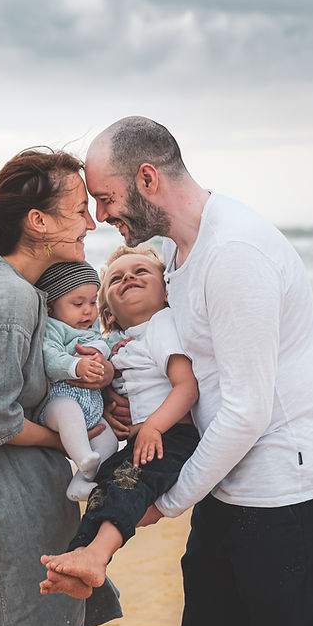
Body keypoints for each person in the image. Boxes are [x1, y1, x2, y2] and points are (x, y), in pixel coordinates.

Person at [81, 117, 313, 626]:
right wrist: (122, 400)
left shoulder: (235, 254)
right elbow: (170, 354)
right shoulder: (169, 252)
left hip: (288, 487)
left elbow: (246, 411)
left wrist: (167, 503)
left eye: (105, 198)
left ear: (147, 179)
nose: (100, 217)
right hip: (226, 477)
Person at [0, 148, 121, 626]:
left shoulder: (10, 283)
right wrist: (71, 438)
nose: (92, 221)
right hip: (1, 514)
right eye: (80, 209)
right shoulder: (11, 300)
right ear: (38, 221)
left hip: (1, 506)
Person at [39, 245, 200, 599]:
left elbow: (187, 387)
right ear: (106, 310)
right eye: (115, 279)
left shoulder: (162, 326)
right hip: (144, 439)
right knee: (105, 487)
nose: (128, 277)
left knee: (127, 485)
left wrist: (153, 426)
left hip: (173, 436)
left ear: (166, 291)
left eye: (141, 272)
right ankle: (81, 558)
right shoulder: (117, 341)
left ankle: (96, 556)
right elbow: (113, 379)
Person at [34, 260, 120, 500]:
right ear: (51, 307)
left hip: (93, 411)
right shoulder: (54, 328)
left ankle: (80, 483)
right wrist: (75, 365)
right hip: (58, 404)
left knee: (110, 443)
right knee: (68, 411)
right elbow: (49, 356)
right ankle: (82, 456)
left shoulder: (91, 328)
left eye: (93, 302)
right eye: (78, 303)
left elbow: (104, 347)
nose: (88, 311)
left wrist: (117, 349)